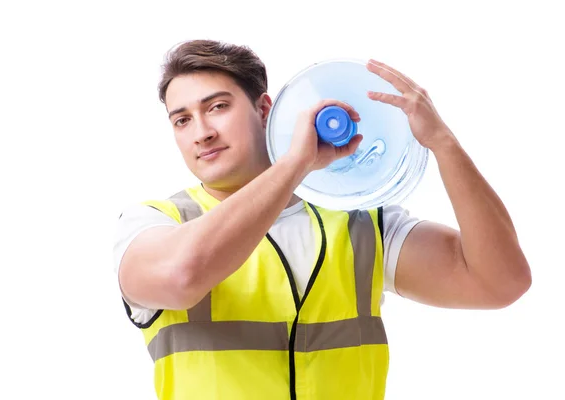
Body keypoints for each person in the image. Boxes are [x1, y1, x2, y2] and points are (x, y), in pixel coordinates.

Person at [112, 39, 531, 400]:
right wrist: (296, 163)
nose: (201, 132)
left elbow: (501, 281)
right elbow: (182, 277)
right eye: (182, 120)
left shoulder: (360, 225)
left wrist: (444, 144)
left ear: (264, 110)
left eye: (217, 107)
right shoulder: (153, 224)